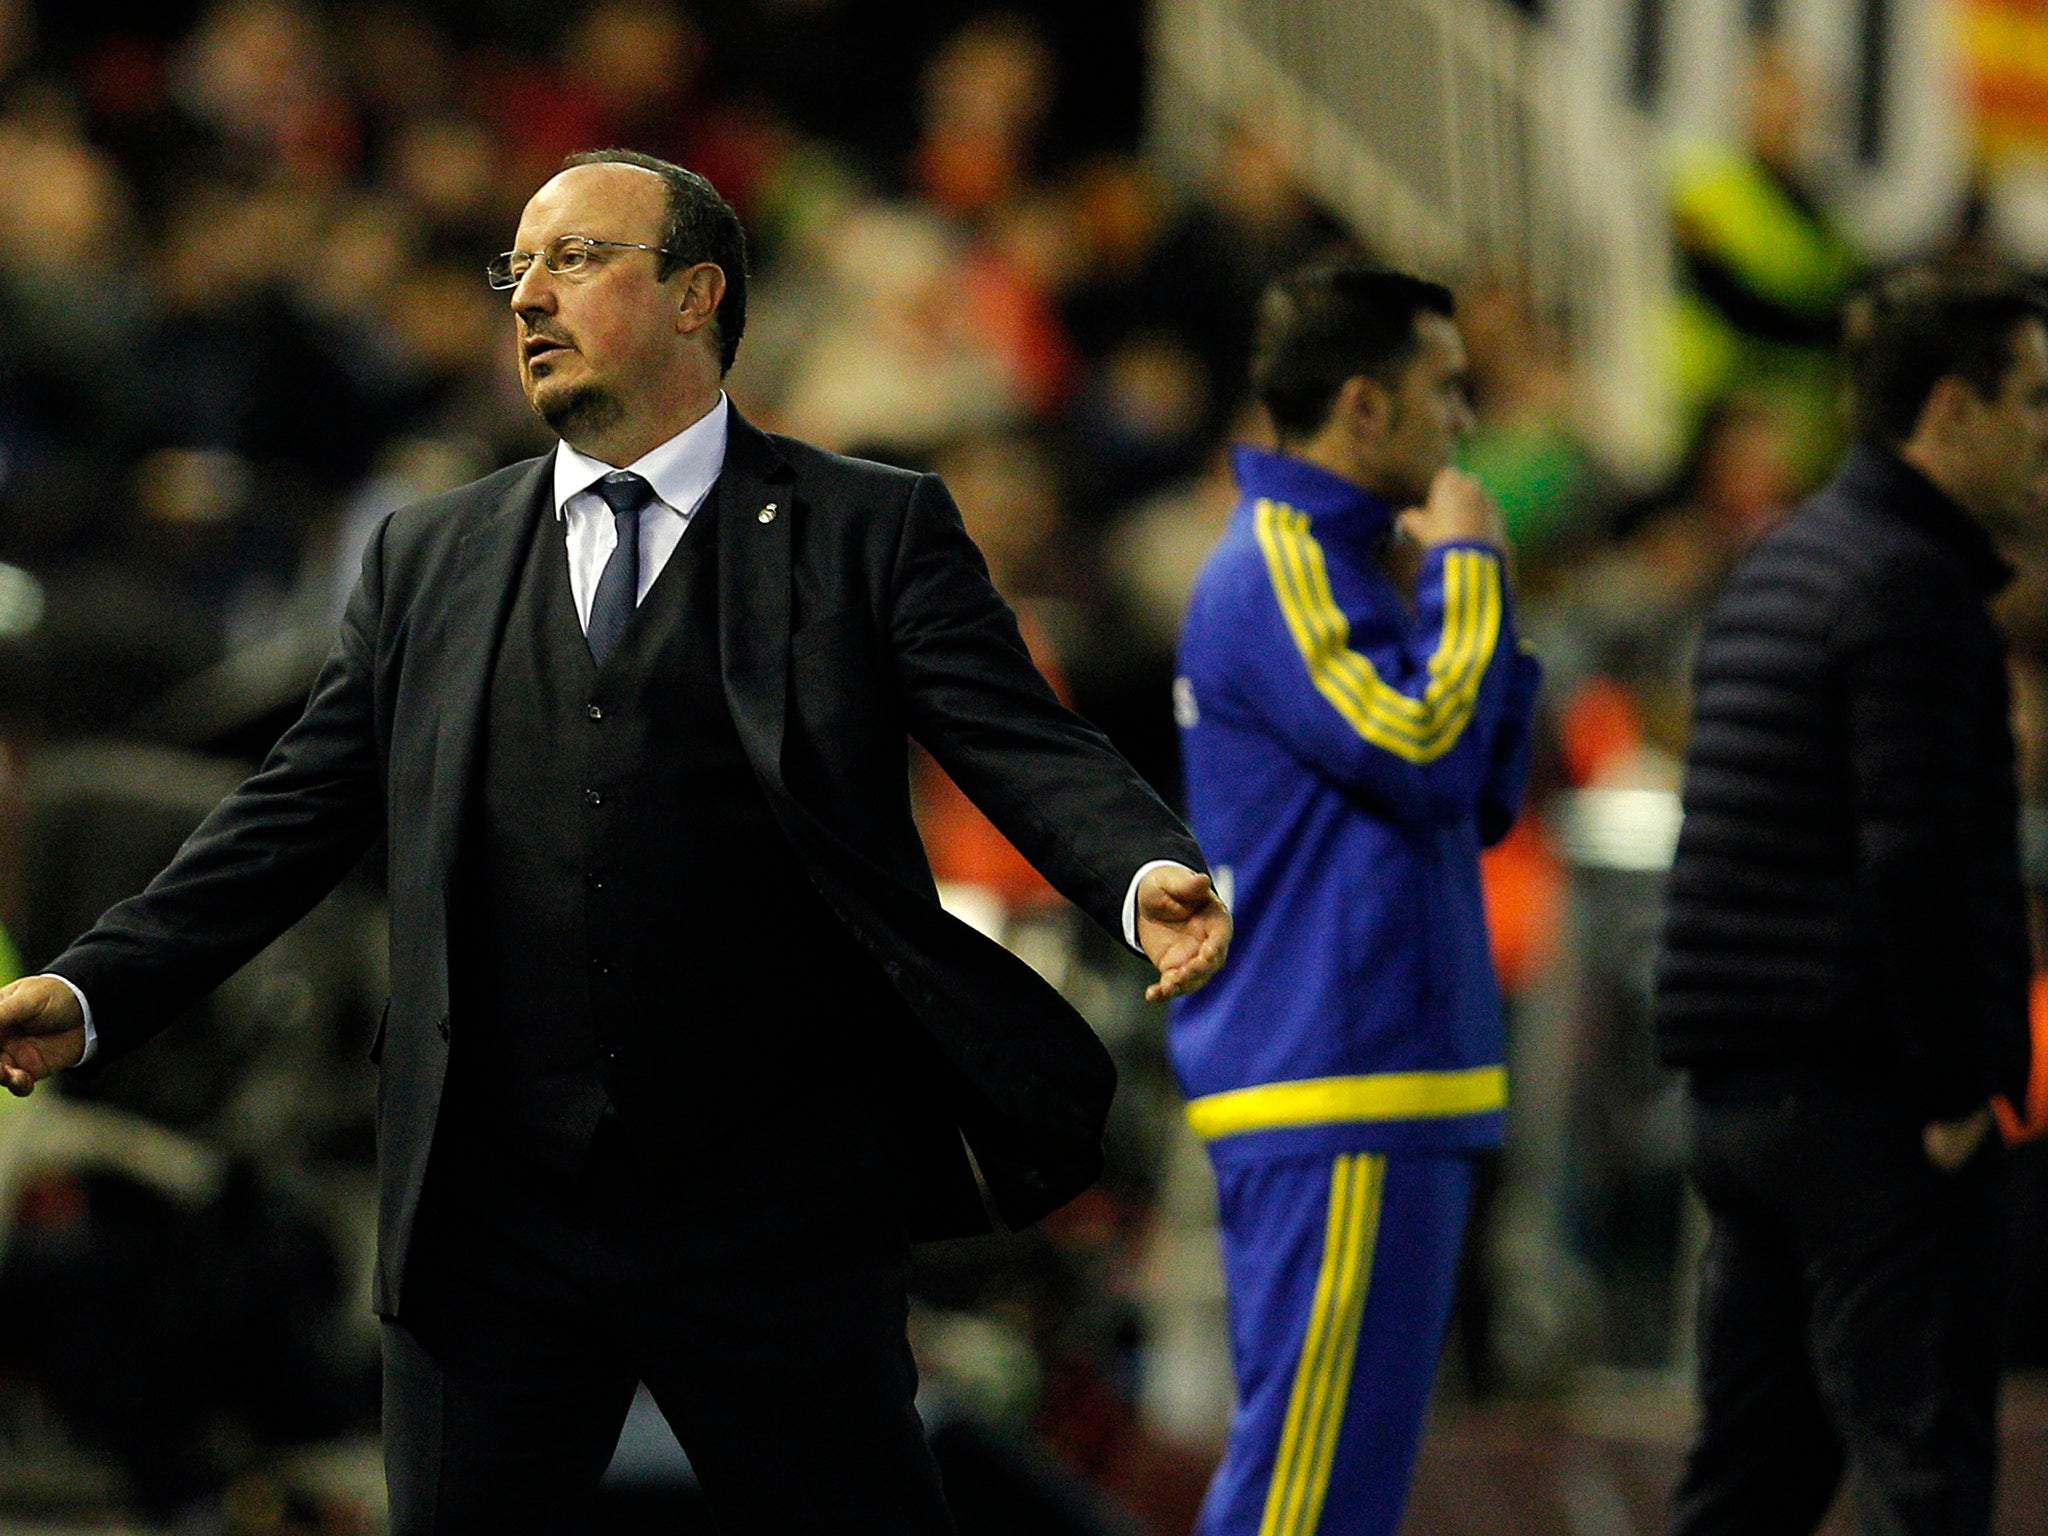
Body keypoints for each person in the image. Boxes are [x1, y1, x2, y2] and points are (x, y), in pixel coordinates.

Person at [0, 149, 1232, 1535]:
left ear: (698, 293)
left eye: (576, 259)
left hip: (773, 1213)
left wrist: (1140, 872)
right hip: (490, 1220)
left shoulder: (867, 528)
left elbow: (1021, 743)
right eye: (515, 267)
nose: (528, 295)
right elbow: (285, 816)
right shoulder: (431, 556)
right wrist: (96, 987)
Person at [1655, 268, 2048, 1535]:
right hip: (1868, 1105)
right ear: (1951, 411)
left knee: (1748, 1486)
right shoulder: (1910, 588)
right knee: (1920, 1476)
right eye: (2031, 402)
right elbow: (1914, 854)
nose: (2046, 433)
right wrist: (1950, 1089)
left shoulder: (1781, 566)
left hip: (1742, 1096)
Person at [1170, 261, 1540, 1536]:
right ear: (1364, 408)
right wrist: (1472, 578)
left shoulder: (1352, 559)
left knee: (1342, 1490)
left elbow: (1482, 789)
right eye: (1445, 389)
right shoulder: (1277, 564)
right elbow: (1429, 747)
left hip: (1388, 1074)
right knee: (1303, 1495)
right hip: (1335, 1075)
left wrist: (1451, 585)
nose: (1466, 422)